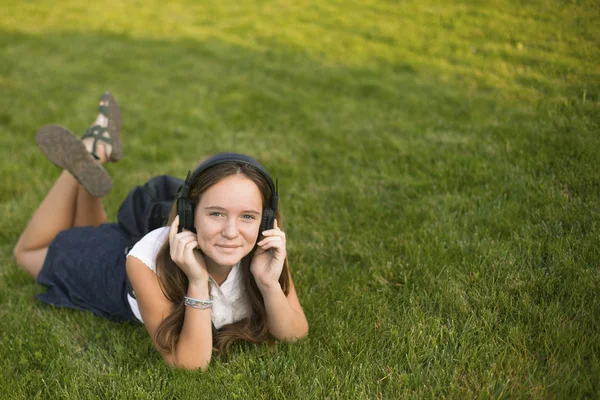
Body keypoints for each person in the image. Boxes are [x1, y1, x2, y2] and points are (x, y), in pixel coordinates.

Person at [13, 92, 309, 370]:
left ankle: (94, 156)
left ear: (266, 221)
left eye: (247, 216)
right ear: (189, 214)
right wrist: (196, 281)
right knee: (27, 254)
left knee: (87, 233)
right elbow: (189, 363)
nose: (232, 232)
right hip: (117, 275)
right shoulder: (145, 261)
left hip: (136, 246)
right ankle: (84, 160)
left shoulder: (262, 249)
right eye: (216, 213)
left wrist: (269, 284)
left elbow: (294, 334)